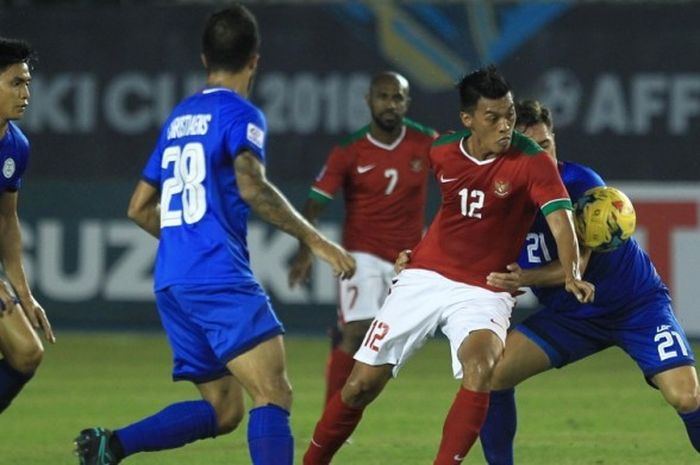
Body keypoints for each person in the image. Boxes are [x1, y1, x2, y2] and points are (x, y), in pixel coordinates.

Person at [73, 5, 355, 465]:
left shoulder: (180, 117)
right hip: (215, 275)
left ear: (205, 59)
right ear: (254, 60)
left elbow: (138, 207)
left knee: (224, 410)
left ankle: (112, 445)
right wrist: (317, 241)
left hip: (172, 281)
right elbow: (252, 185)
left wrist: (185, 240)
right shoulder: (240, 114)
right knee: (273, 393)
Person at [302, 66, 594, 465]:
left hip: (484, 288)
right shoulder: (442, 152)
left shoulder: (531, 160)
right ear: (468, 120)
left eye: (509, 114)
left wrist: (572, 271)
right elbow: (452, 212)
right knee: (359, 387)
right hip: (423, 277)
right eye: (493, 118)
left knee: (481, 369)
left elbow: (561, 223)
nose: (506, 125)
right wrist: (416, 250)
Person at [475, 100, 700, 463]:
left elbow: (575, 264)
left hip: (636, 306)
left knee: (686, 397)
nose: (541, 158)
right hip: (571, 316)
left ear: (554, 140)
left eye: (545, 145)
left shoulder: (581, 183)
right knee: (493, 376)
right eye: (529, 149)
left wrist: (523, 277)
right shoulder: (498, 203)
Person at [288, 71, 438, 405]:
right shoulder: (348, 151)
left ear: (407, 103)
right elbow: (313, 205)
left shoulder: (426, 141)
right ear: (368, 101)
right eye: (383, 96)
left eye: (397, 97)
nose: (390, 104)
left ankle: (344, 364)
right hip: (362, 255)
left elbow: (460, 172)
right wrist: (306, 251)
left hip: (409, 259)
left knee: (396, 340)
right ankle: (333, 415)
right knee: (359, 331)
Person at [0, 37, 55, 415]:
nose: (26, 93)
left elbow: (6, 220)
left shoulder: (15, 146)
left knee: (25, 352)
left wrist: (23, 291)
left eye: (28, 82)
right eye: (15, 83)